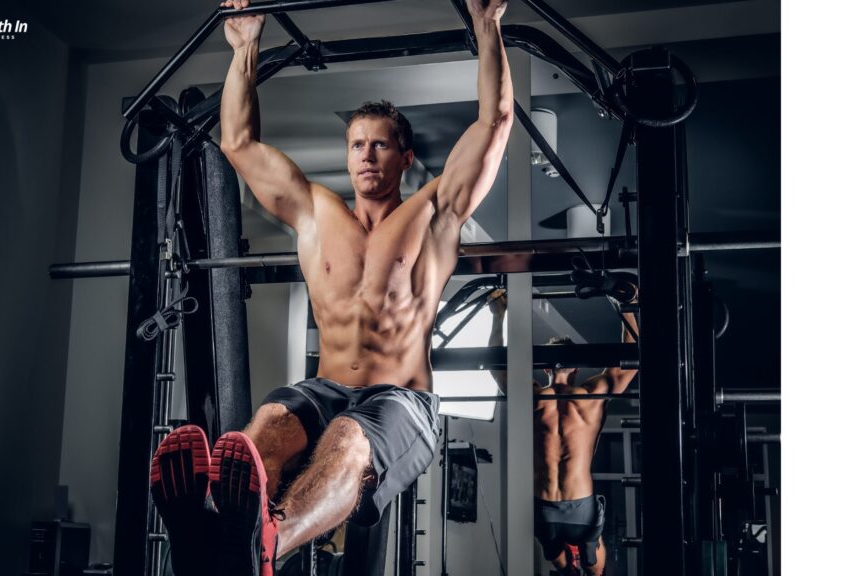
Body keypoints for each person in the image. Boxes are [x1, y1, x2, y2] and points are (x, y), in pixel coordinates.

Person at [150, 1, 514, 574]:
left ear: (405, 155)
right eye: (357, 145)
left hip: (402, 401)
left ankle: (263, 543)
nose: (366, 155)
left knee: (348, 437)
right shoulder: (316, 213)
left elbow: (494, 123)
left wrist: (487, 25)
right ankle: (213, 536)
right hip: (325, 386)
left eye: (381, 145)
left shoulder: (433, 211)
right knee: (264, 430)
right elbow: (239, 145)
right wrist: (245, 46)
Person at [489, 290, 638, 576]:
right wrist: (627, 307)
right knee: (594, 562)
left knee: (558, 560)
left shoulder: (533, 398)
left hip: (545, 503)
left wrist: (498, 315)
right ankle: (588, 557)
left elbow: (497, 367)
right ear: (577, 366)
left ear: (545, 367)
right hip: (580, 503)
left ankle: (569, 566)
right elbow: (629, 363)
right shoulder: (590, 398)